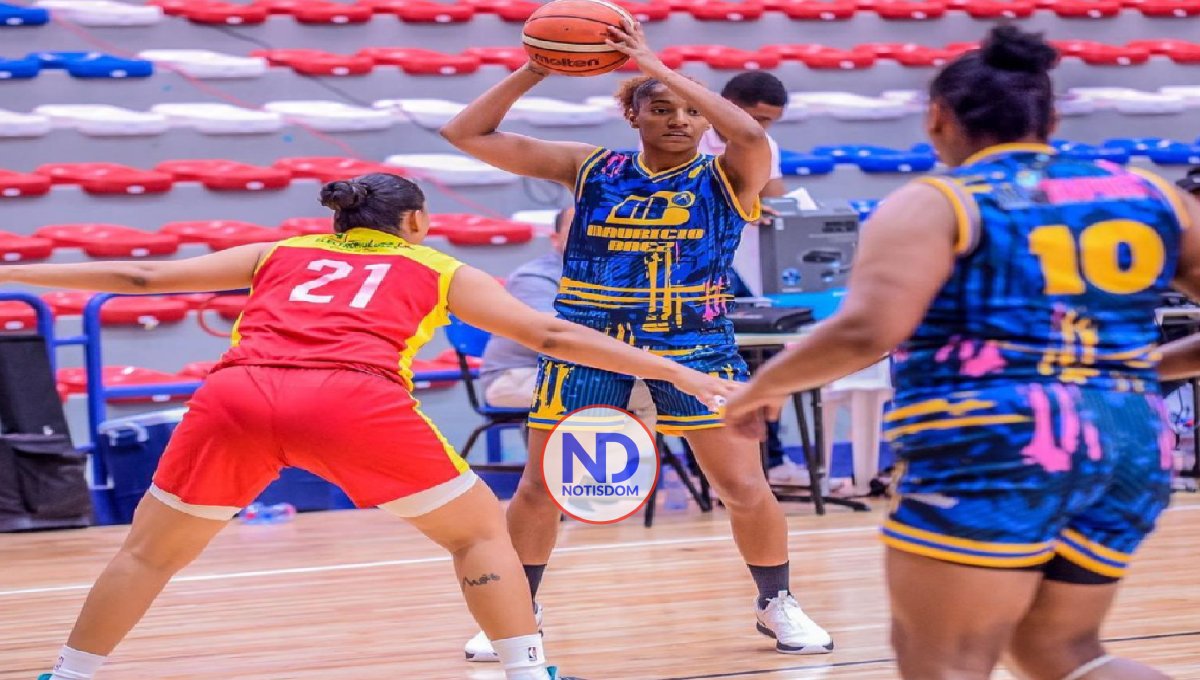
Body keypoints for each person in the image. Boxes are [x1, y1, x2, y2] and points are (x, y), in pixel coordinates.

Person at [5, 173, 737, 680]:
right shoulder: (435, 267)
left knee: (149, 553)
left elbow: (140, 280)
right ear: (416, 221)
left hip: (237, 394)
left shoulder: (280, 252)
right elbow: (549, 336)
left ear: (338, 217)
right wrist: (673, 370)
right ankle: (524, 668)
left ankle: (70, 672)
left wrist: (19, 271)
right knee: (479, 532)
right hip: (352, 402)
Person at [723, 25, 1200, 680]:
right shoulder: (1151, 193)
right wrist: (1146, 370)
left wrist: (761, 388)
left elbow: (867, 331)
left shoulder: (940, 199)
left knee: (944, 662)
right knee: (1060, 653)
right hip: (1127, 442)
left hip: (998, 438)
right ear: (1050, 116)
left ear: (937, 118)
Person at [441, 18, 834, 662]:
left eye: (688, 109)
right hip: (591, 342)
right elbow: (464, 133)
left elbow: (749, 132)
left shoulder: (729, 176)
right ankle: (515, 612)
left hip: (695, 342)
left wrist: (658, 65)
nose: (678, 119)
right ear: (634, 116)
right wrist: (540, 67)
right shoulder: (590, 166)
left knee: (741, 485)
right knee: (541, 488)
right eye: (659, 107)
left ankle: (776, 603)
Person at [480, 207, 656, 429]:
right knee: (654, 392)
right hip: (519, 376)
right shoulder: (534, 278)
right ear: (556, 239)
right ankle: (625, 463)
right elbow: (561, 339)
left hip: (589, 372)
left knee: (689, 381)